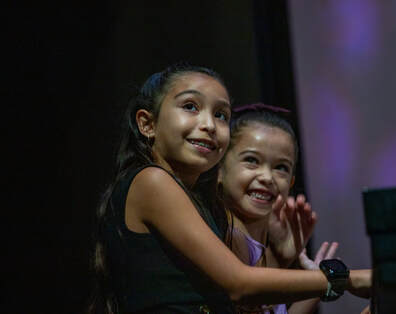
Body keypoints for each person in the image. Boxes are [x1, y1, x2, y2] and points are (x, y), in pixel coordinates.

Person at [88, 63, 371, 314]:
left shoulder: (195, 205)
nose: (209, 125)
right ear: (147, 124)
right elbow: (240, 284)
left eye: (221, 115)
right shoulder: (152, 181)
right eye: (190, 107)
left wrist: (280, 260)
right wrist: (349, 279)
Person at [218, 105, 339, 313]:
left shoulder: (261, 247)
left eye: (280, 167)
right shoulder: (226, 237)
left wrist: (318, 287)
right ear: (219, 169)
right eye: (251, 161)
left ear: (291, 182)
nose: (267, 177)